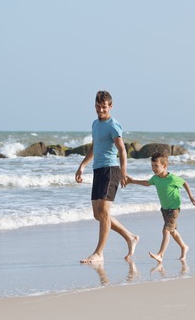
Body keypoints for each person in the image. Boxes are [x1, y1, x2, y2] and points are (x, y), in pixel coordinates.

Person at [75, 90, 139, 263]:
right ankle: (130, 236)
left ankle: (99, 253)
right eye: (98, 106)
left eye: (104, 107)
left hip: (111, 170)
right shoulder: (95, 124)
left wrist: (123, 171)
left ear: (110, 106)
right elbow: (94, 147)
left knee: (104, 212)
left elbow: (122, 149)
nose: (100, 110)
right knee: (98, 214)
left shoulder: (113, 125)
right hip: (98, 170)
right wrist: (82, 166)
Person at [128, 152, 195, 263]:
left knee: (166, 230)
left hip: (174, 209)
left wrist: (191, 196)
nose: (153, 168)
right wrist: (133, 181)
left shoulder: (172, 178)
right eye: (152, 166)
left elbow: (184, 183)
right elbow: (147, 183)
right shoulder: (156, 178)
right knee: (172, 231)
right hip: (164, 209)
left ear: (164, 166)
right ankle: (184, 247)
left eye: (156, 166)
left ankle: (160, 254)